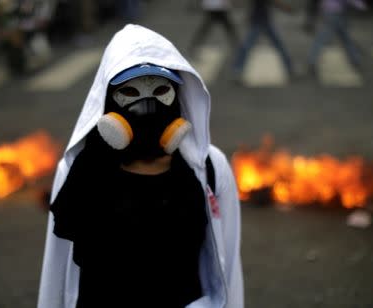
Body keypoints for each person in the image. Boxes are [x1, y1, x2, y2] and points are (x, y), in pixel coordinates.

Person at [37, 24, 243, 308]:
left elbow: (228, 264)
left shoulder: (209, 166)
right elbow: (55, 273)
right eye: (130, 92)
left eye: (161, 90)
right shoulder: (80, 171)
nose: (148, 105)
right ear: (108, 100)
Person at [232, 0, 294, 80]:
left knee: (247, 46)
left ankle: (237, 69)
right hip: (260, 20)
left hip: (261, 19)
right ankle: (237, 69)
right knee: (279, 45)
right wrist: (286, 8)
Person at [307, 0, 367, 74]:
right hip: (336, 14)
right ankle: (355, 60)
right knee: (345, 39)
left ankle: (312, 61)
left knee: (323, 39)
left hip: (328, 12)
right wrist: (361, 6)